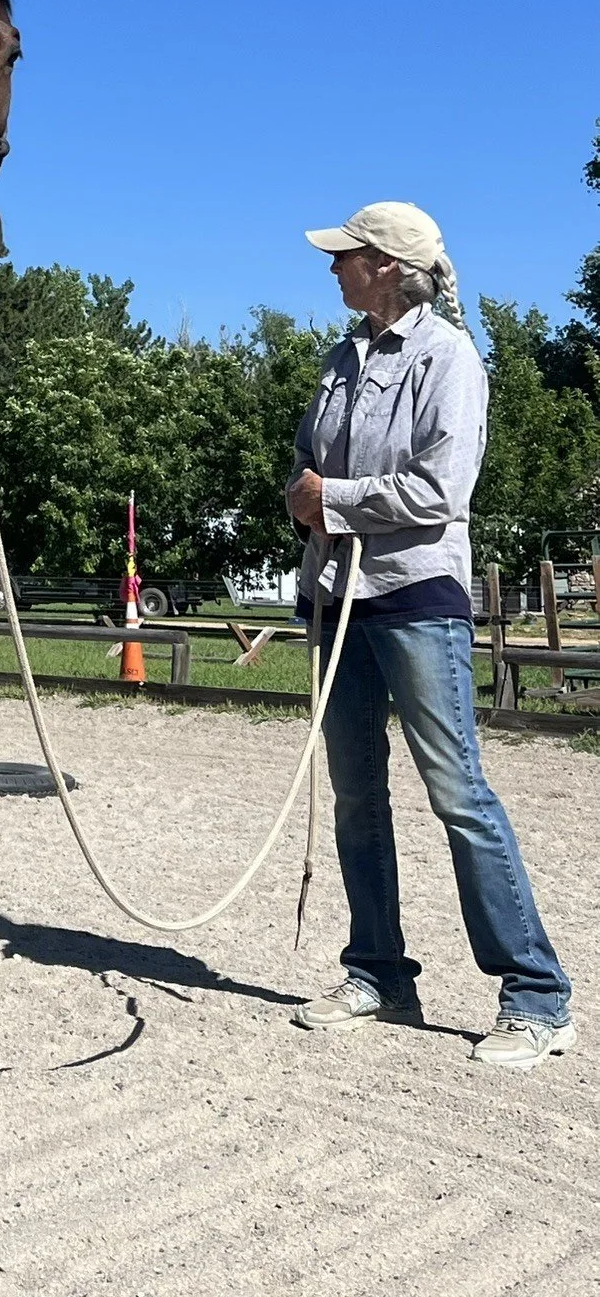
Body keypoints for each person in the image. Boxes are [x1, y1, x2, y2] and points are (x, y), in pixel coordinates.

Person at [287, 201, 573, 1069]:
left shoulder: (449, 358)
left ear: (385, 266)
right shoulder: (341, 359)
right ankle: (378, 969)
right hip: (338, 598)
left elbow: (439, 488)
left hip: (415, 598)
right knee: (355, 796)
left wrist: (330, 502)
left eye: (346, 256)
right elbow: (305, 465)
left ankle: (537, 996)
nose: (333, 268)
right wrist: (312, 503)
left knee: (458, 794)